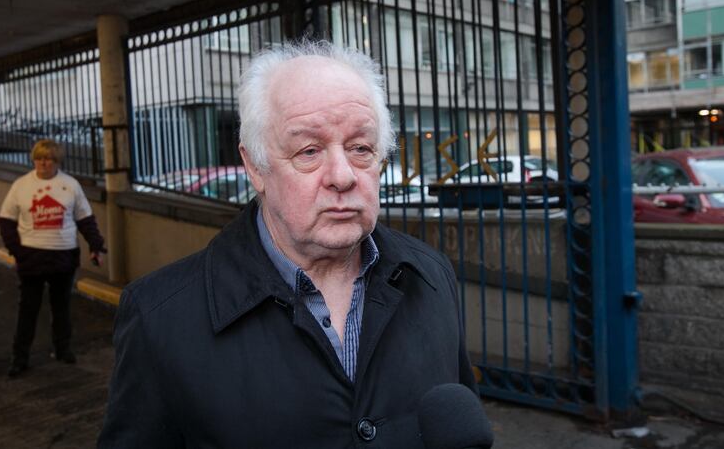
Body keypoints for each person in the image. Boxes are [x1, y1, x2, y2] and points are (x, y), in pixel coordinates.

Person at [99, 40, 478, 448]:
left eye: (360, 148)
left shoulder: (433, 276)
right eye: (309, 151)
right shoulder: (160, 318)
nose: (342, 176)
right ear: (255, 167)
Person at [0, 139, 106, 377]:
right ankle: (19, 357)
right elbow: (6, 221)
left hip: (63, 257)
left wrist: (95, 245)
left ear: (57, 161)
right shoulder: (21, 186)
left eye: (48, 159)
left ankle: (63, 349)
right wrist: (18, 250)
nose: (43, 163)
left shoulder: (70, 185)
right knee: (28, 309)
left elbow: (85, 220)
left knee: (62, 307)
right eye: (39, 158)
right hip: (32, 259)